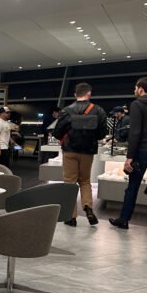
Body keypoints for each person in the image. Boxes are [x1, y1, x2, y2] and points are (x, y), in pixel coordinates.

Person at [110, 77, 147, 235]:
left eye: (135, 88)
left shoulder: (137, 104)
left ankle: (124, 220)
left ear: (141, 89)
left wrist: (129, 157)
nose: (134, 90)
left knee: (132, 187)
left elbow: (135, 132)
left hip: (141, 152)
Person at [53, 82, 107, 226]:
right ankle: (88, 208)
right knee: (85, 181)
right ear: (89, 94)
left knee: (69, 182)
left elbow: (57, 132)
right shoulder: (99, 110)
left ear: (75, 94)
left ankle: (71, 217)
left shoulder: (67, 110)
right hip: (88, 152)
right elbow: (103, 133)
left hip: (70, 151)